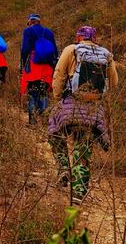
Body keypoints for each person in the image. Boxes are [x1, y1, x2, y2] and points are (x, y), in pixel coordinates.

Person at [48, 25, 118, 203]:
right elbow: (114, 82)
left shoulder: (71, 50)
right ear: (94, 38)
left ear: (79, 37)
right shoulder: (107, 55)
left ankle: (63, 166)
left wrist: (57, 98)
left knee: (54, 132)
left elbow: (59, 75)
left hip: (71, 105)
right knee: (84, 147)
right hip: (94, 109)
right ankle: (79, 191)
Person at [20, 13, 59, 123]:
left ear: (29, 21)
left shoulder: (28, 31)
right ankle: (45, 119)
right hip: (47, 67)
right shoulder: (48, 32)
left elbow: (25, 49)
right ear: (39, 21)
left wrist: (23, 63)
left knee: (32, 91)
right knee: (44, 91)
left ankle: (33, 120)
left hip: (33, 65)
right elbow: (55, 51)